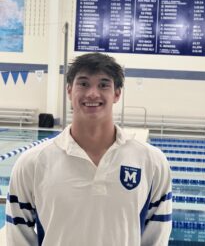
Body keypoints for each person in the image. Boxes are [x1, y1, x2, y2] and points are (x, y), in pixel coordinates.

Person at [6, 52, 172, 246]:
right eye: (83, 83)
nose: (92, 93)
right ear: (69, 90)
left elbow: (157, 239)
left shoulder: (151, 162)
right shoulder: (32, 163)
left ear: (117, 93)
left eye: (103, 84)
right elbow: (17, 238)